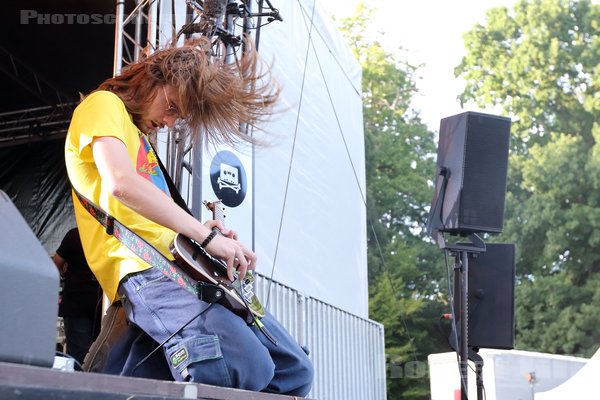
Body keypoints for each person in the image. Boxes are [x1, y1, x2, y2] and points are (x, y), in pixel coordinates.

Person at [64, 36, 313, 396]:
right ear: (156, 78)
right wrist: (204, 235)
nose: (170, 121)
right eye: (172, 108)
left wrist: (204, 233)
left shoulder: (140, 139)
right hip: (144, 269)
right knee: (245, 365)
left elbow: (151, 209)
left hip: (179, 265)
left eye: (177, 115)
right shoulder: (103, 105)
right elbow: (120, 183)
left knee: (294, 370)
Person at [52, 227, 102, 367]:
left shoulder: (74, 234)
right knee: (97, 356)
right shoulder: (111, 234)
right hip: (96, 307)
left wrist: (63, 272)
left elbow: (56, 263)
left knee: (79, 357)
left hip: (78, 306)